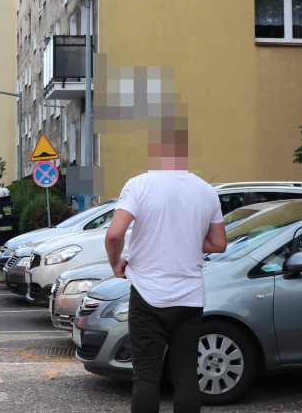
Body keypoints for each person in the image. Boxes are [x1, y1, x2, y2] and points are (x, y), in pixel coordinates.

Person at [105, 119, 226, 413]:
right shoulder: (206, 191)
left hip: (147, 295)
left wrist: (115, 263)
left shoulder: (139, 185)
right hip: (189, 297)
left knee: (146, 377)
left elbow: (114, 234)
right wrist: (184, 239)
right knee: (186, 374)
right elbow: (218, 244)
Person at [0, 187, 15, 253]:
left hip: (1, 228)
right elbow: (12, 215)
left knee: (1, 244)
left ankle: (1, 255)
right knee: (8, 242)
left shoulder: (0, 204)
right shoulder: (10, 203)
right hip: (9, 227)